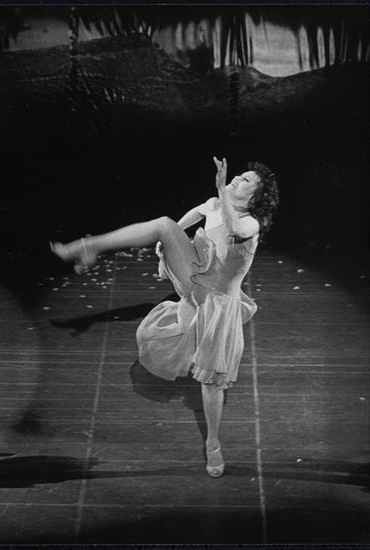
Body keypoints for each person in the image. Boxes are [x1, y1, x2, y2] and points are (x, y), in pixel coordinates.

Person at [51, 157, 279, 477]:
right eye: (239, 175)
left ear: (254, 199)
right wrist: (168, 245)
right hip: (195, 279)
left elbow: (233, 229)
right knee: (163, 225)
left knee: (211, 383)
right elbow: (196, 213)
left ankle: (213, 443)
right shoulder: (216, 204)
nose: (237, 179)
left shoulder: (250, 224)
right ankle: (88, 247)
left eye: (245, 181)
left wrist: (220, 189)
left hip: (217, 303)